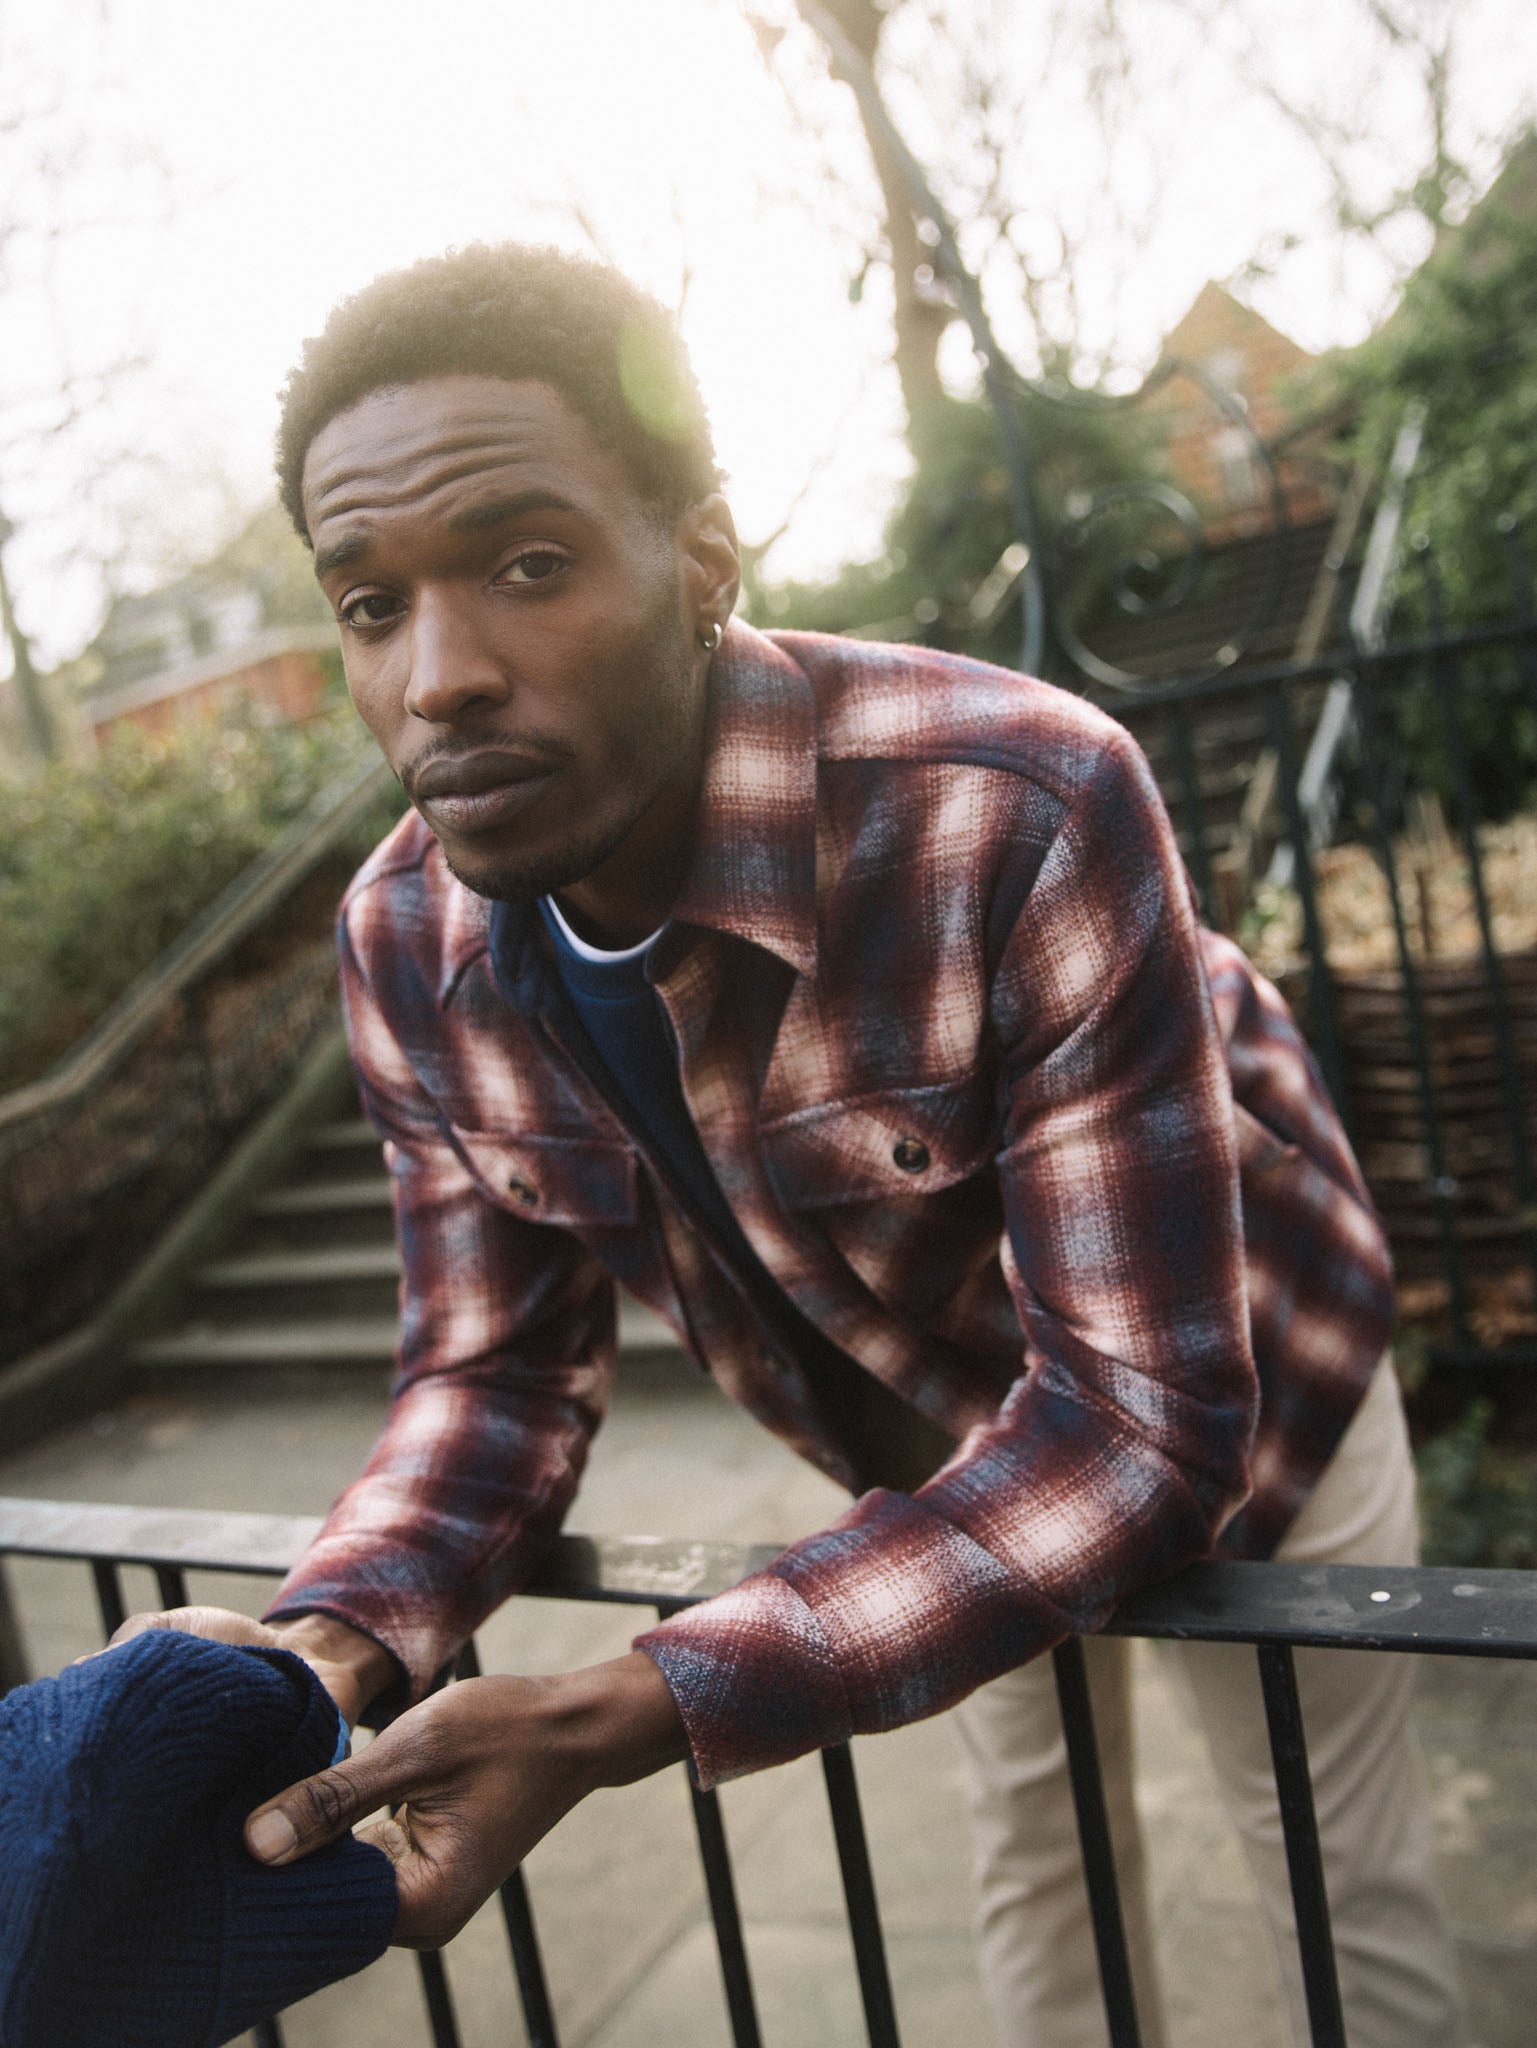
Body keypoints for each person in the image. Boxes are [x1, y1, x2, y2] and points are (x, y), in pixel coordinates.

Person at [114, 243, 1464, 2047]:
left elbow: (1141, 1424)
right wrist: (330, 1641)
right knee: (1040, 1873)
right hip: (945, 1473)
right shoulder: (406, 945)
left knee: (1328, 1885)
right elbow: (493, 1378)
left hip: (1254, 1399)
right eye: (368, 602)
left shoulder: (1014, 806)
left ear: (702, 560)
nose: (439, 677)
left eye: (528, 564)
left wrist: (632, 1703)